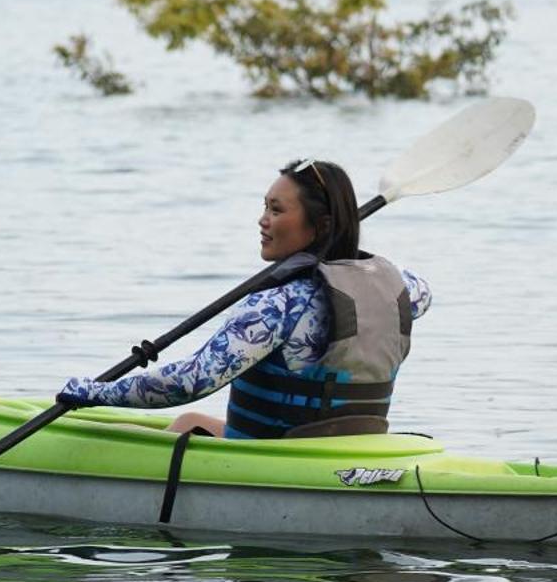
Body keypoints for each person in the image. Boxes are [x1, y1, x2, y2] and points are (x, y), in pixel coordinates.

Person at [57, 158, 430, 439]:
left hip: (276, 459)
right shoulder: (402, 289)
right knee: (190, 425)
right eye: (265, 206)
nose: (262, 220)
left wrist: (96, 391)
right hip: (355, 450)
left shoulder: (275, 308)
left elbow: (190, 382)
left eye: (277, 210)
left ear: (322, 225)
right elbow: (422, 289)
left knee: (183, 420)